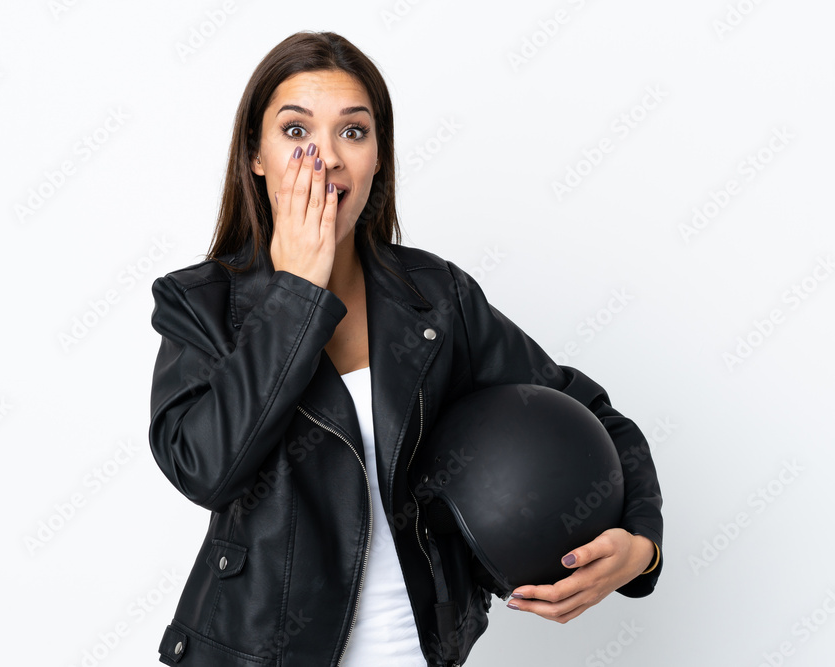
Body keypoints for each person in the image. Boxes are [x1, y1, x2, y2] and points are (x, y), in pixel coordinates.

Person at [147, 30, 663, 667]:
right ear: (256, 155)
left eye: (353, 132)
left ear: (378, 158)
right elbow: (205, 470)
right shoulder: (198, 304)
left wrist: (641, 544)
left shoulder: (435, 297)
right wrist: (297, 293)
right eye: (296, 131)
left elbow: (594, 415)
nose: (325, 158)